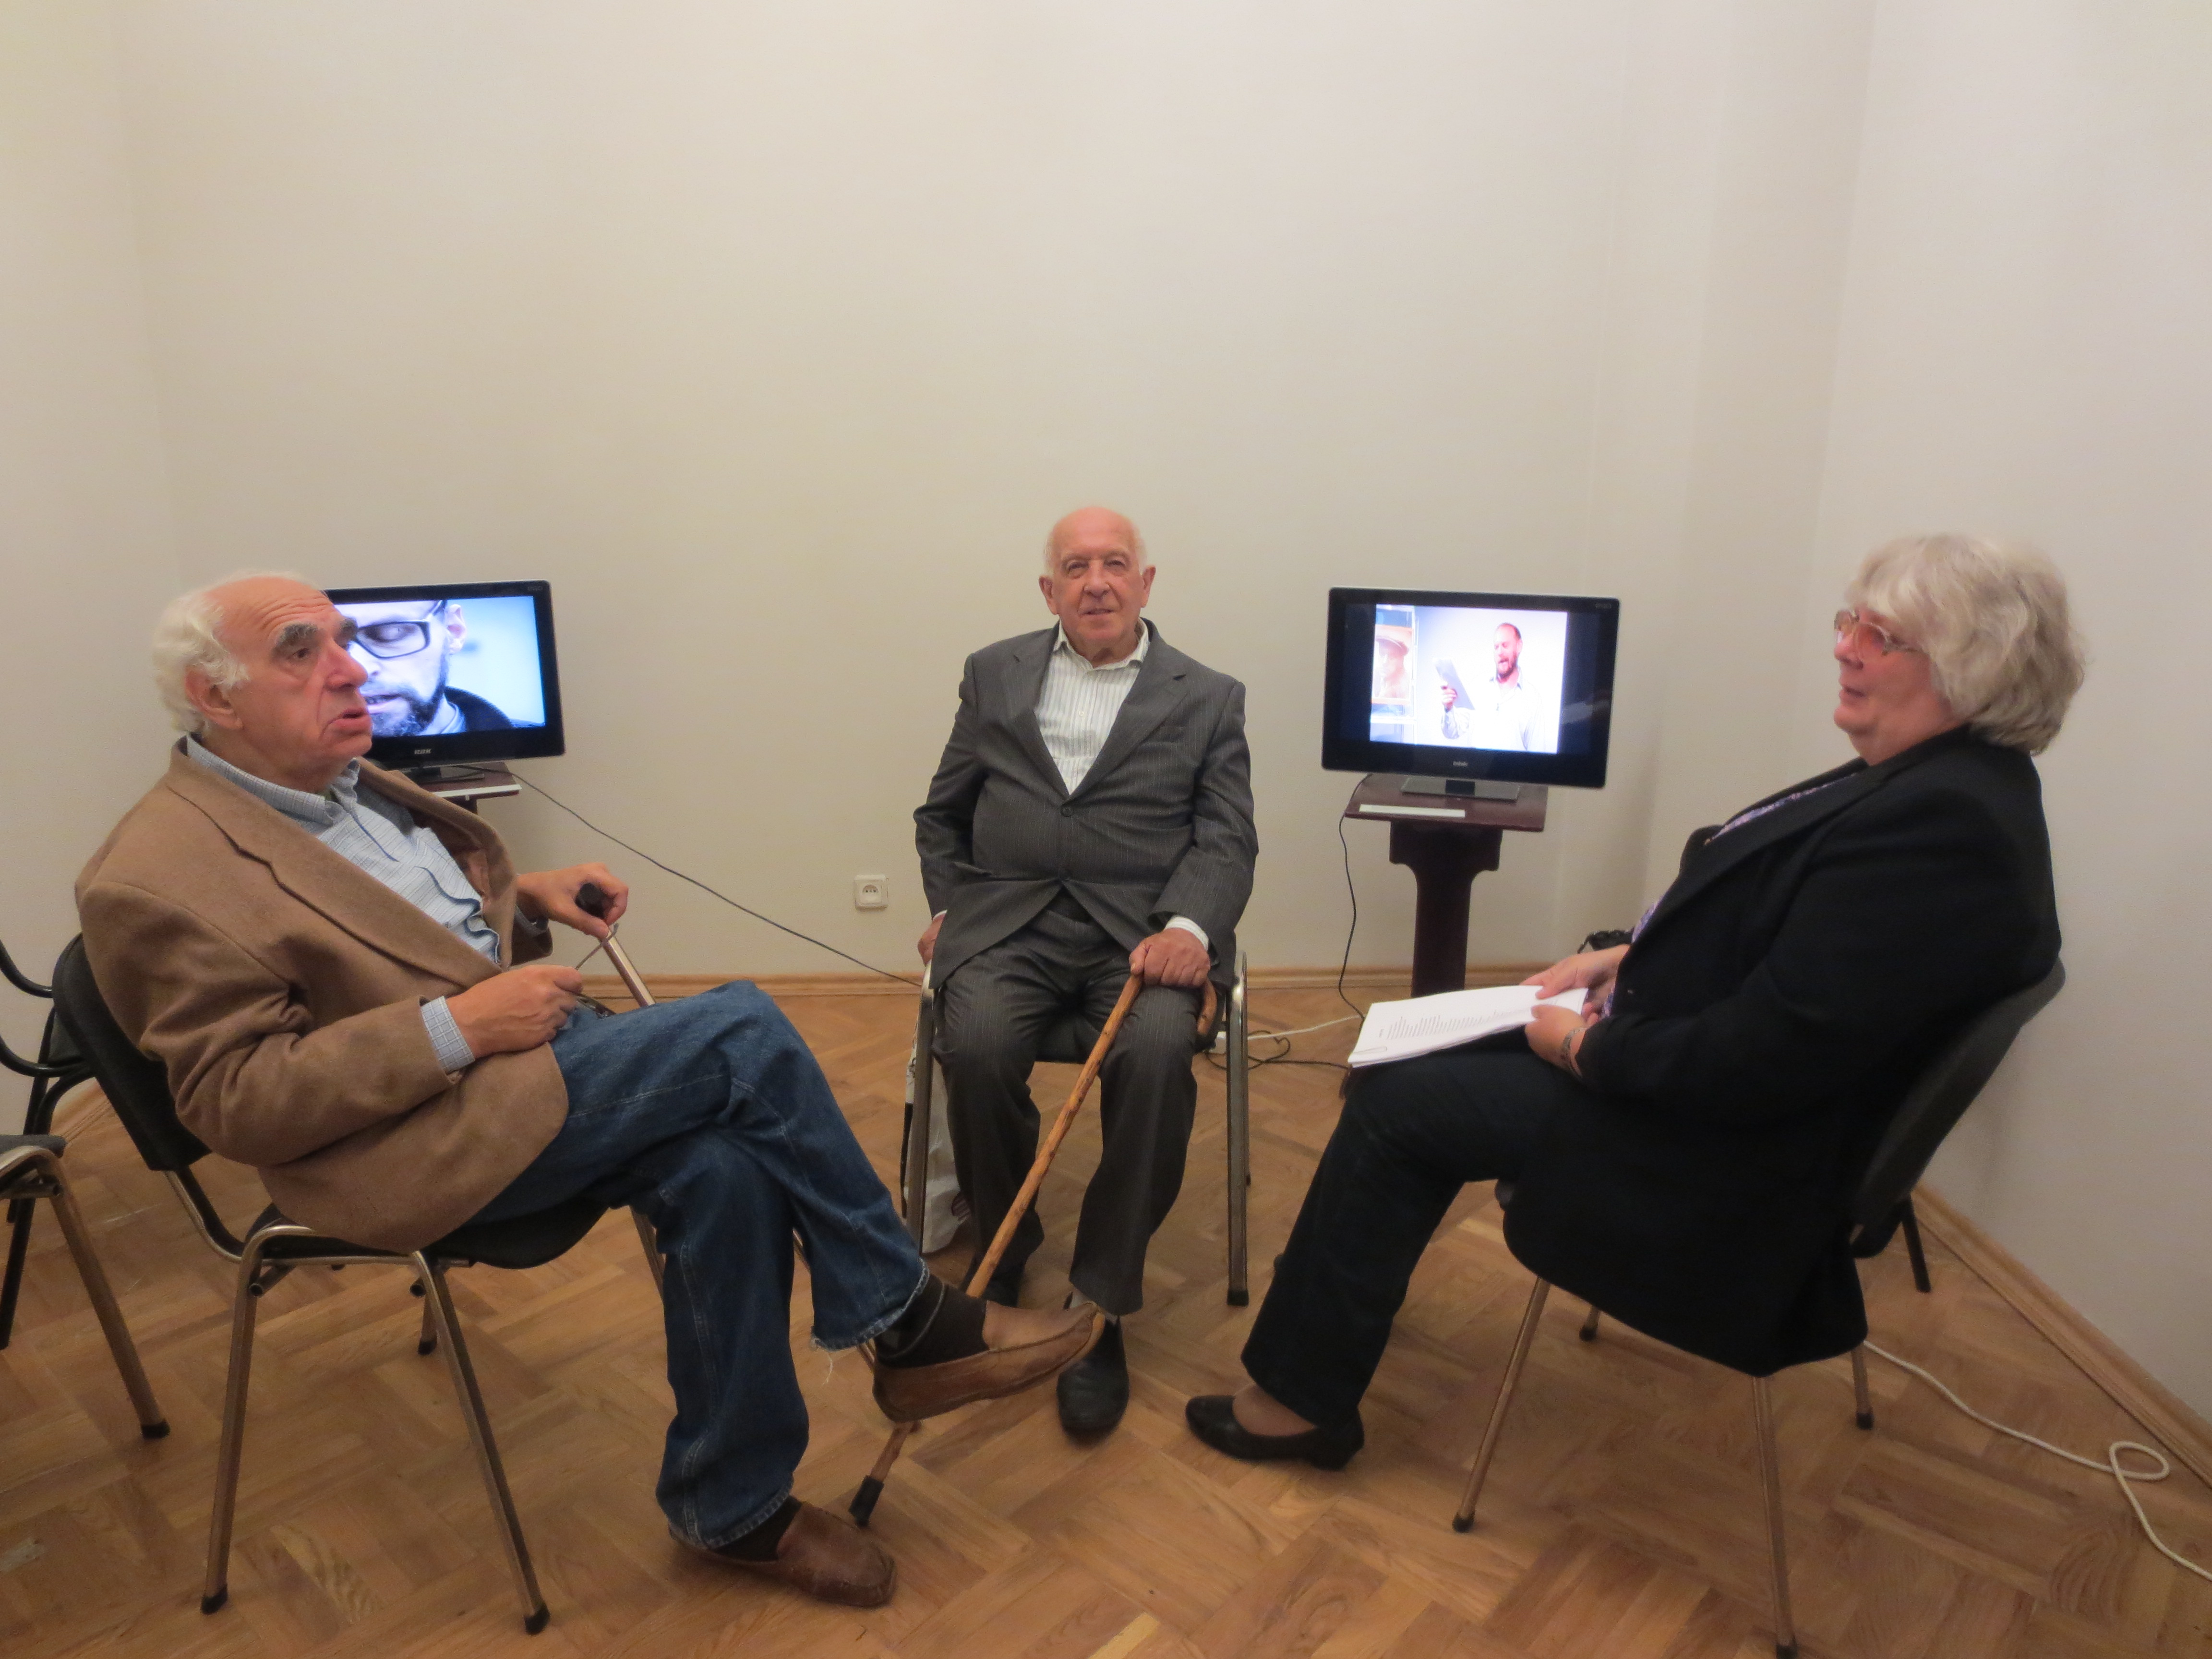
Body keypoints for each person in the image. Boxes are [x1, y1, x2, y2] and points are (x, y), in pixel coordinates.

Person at [79, 574, 1098, 1609]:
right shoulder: (154, 875)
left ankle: (732, 1506)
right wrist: (458, 1027)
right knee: (741, 1029)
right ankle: (908, 1320)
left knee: (725, 1168)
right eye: (301, 651)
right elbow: (238, 1101)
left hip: (512, 1075)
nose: (351, 669)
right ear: (213, 696)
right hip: (405, 1145)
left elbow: (396, 937)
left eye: (346, 641)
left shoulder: (339, 778)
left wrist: (522, 900)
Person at [1186, 534, 2081, 1467]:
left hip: (1721, 1153)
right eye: (1849, 621)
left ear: (1971, 666)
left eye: (1880, 636)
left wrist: (1581, 1049)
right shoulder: (1933, 781)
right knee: (1400, 1064)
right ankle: (1328, 1323)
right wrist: (1625, 957)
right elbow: (1796, 951)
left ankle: (1299, 1399)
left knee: (1401, 1109)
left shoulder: (1944, 826)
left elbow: (1764, 1057)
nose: (1843, 647)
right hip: (1690, 1075)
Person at [914, 507, 1257, 1437]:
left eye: (1114, 564)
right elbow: (942, 815)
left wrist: (1189, 927)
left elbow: (1227, 838)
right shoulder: (992, 673)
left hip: (1140, 939)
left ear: (1145, 583)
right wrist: (948, 909)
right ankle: (1006, 1244)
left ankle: (1099, 1301)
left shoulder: (1209, 696)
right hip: (1008, 927)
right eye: (1075, 566)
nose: (1096, 581)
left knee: (1155, 1054)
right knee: (976, 1044)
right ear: (1049, 590)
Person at [336, 597, 516, 735]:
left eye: (393, 633)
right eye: (337, 644)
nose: (362, 671)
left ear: (454, 631)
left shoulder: (521, 742)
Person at [1439, 623, 1536, 749]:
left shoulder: (1532, 697)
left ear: (1519, 647)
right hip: (1475, 762)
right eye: (1496, 647)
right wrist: (1448, 709)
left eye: (1505, 645)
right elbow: (1452, 732)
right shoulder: (1477, 686)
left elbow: (1538, 751)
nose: (1500, 652)